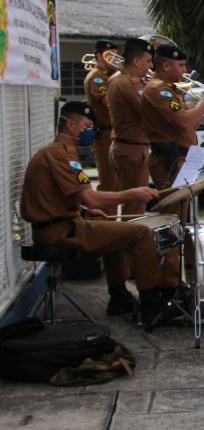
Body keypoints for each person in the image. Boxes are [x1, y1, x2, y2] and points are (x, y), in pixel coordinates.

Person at [21, 101, 165, 318]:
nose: (92, 131)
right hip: (58, 230)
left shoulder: (61, 152)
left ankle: (119, 297)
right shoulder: (60, 155)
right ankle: (151, 303)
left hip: (62, 223)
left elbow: (59, 198)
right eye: (87, 125)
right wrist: (134, 193)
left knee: (112, 232)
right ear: (70, 125)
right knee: (140, 233)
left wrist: (83, 212)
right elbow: (92, 197)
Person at [141, 44, 204, 300]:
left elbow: (185, 112)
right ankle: (169, 285)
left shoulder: (169, 89)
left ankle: (176, 279)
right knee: (172, 223)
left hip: (183, 160)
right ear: (166, 66)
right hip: (170, 162)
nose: (185, 71)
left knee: (181, 221)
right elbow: (184, 121)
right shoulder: (157, 89)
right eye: (181, 66)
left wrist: (199, 103)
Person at [83, 39, 128, 293]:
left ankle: (121, 249)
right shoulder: (99, 78)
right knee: (109, 191)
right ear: (99, 56)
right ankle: (109, 245)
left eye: (116, 55)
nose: (114, 59)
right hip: (106, 136)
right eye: (109, 55)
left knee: (123, 190)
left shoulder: (112, 76)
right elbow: (112, 105)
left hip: (118, 135)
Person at [109, 38, 154, 219]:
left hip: (125, 146)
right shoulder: (130, 83)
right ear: (136, 61)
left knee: (131, 203)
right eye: (148, 61)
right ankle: (132, 245)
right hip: (133, 149)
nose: (151, 66)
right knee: (135, 207)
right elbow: (151, 112)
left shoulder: (117, 79)